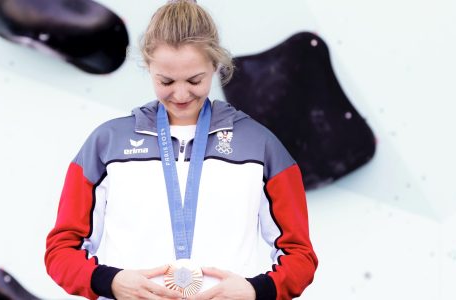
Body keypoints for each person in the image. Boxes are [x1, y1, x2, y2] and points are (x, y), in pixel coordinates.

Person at [45, 1, 318, 299]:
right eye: (166, 81)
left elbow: (300, 256)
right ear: (148, 66)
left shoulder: (260, 145)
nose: (181, 93)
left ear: (215, 66)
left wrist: (257, 290)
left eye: (194, 80)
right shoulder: (107, 142)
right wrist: (108, 281)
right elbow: (61, 250)